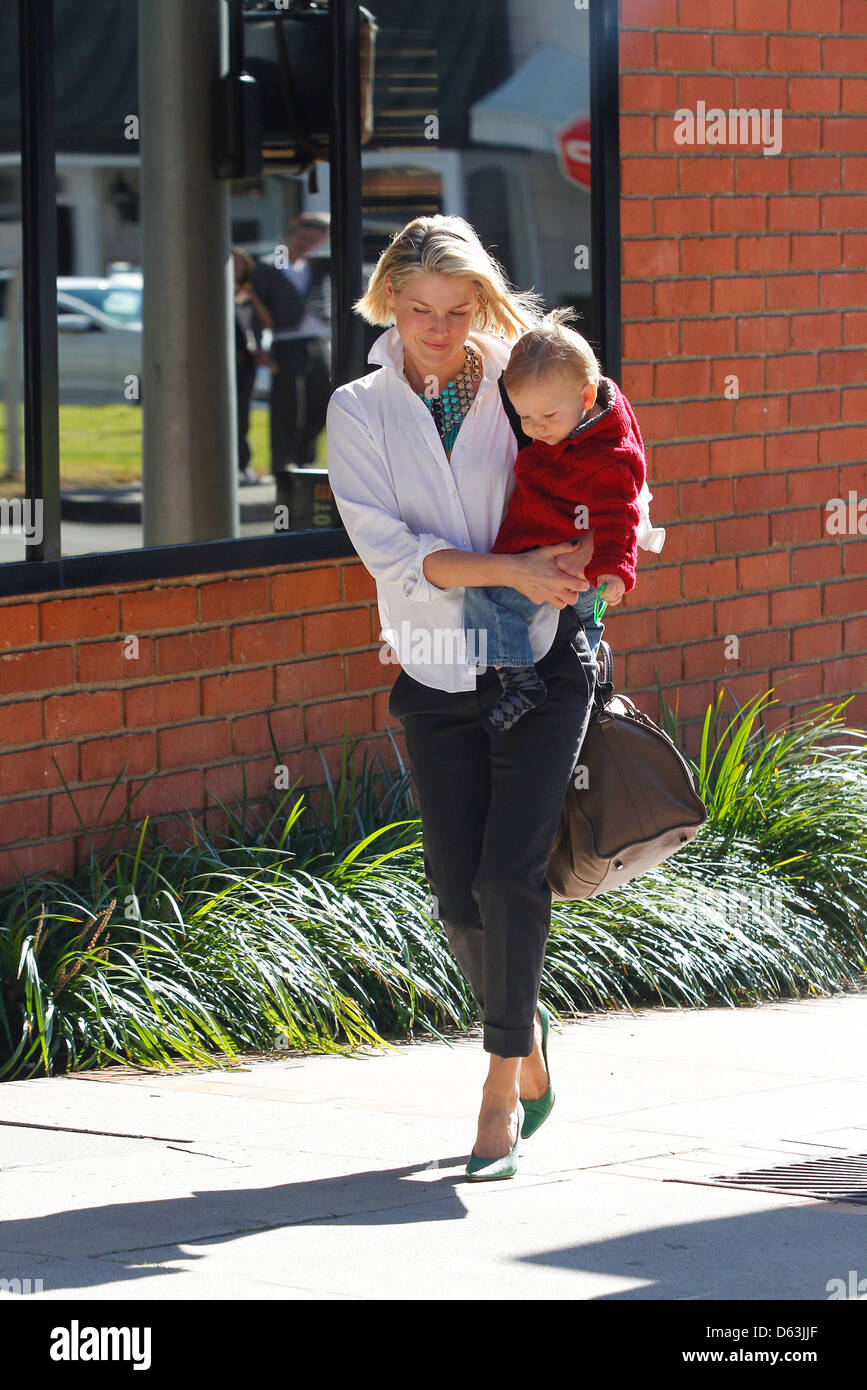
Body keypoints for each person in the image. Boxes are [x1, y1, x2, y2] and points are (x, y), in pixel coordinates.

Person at [325, 214, 599, 1181]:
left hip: (539, 661)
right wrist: (509, 566)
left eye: (456, 310)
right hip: (436, 668)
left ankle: (497, 1092)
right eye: (417, 310)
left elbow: (609, 455)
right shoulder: (358, 411)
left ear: (481, 304)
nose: (437, 331)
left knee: (508, 876)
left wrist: (594, 545)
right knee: (456, 890)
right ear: (388, 303)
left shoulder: (527, 379)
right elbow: (392, 556)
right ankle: (526, 1036)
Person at [463, 307, 666, 734]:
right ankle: (583, 687)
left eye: (546, 418)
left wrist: (615, 566)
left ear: (587, 397)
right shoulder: (584, 412)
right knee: (582, 624)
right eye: (525, 418)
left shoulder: (610, 456)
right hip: (550, 544)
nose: (535, 429)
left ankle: (521, 681)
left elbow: (621, 511)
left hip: (561, 552)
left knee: (488, 598)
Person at [252, 213, 332, 479]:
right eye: (303, 236)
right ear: (291, 233)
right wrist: (259, 344)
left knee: (322, 401)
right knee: (289, 404)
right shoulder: (268, 266)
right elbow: (257, 307)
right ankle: (283, 461)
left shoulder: (320, 265)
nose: (307, 243)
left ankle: (305, 457)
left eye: (314, 238)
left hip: (320, 339)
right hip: (287, 341)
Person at [233, 247, 273, 486]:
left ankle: (242, 464)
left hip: (247, 360)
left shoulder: (252, 294)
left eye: (240, 264)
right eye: (232, 264)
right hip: (228, 361)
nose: (236, 268)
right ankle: (232, 464)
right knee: (228, 414)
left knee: (243, 414)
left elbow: (267, 322)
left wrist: (253, 298)